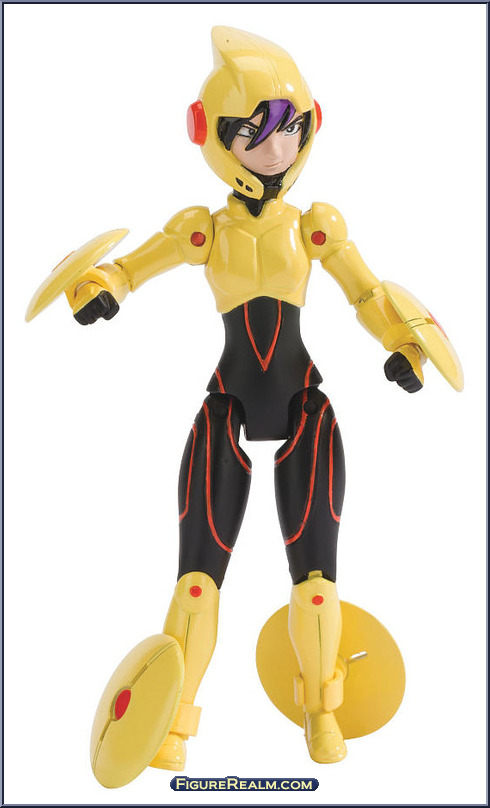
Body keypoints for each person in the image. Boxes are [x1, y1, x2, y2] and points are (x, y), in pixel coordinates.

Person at [54, 26, 457, 778]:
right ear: (212, 135)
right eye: (253, 132)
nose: (275, 148)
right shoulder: (203, 231)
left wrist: (404, 347)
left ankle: (322, 713)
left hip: (305, 404)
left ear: (312, 125)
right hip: (227, 403)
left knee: (316, 587)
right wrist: (100, 288)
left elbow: (368, 293)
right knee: (196, 581)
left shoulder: (317, 227)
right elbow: (132, 268)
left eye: (290, 128)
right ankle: (173, 723)